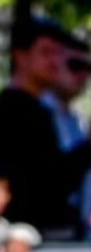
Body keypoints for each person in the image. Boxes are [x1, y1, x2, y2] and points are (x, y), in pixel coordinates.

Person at [0, 15, 91, 240]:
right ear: (21, 56)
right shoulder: (11, 109)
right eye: (46, 53)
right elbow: (46, 182)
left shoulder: (41, 110)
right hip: (24, 236)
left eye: (59, 54)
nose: (55, 62)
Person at [40, 36, 91, 239]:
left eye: (88, 68)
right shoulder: (39, 114)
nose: (83, 75)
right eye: (75, 65)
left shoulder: (76, 119)